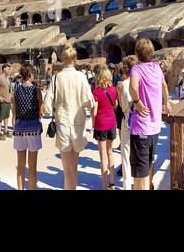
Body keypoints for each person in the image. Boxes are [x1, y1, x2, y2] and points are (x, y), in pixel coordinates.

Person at [49, 46, 97, 190]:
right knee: (74, 166)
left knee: (67, 168)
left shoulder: (56, 77)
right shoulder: (81, 77)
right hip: (78, 122)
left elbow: (47, 105)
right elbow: (90, 101)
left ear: (62, 59)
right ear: (75, 59)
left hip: (63, 122)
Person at [128, 38, 170, 190]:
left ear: (137, 53)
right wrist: (167, 103)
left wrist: (137, 102)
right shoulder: (157, 68)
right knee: (149, 165)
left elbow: (132, 87)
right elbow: (164, 86)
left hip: (141, 128)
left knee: (141, 174)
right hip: (154, 128)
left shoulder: (136, 69)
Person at [11, 65, 44, 190]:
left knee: (20, 164)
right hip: (33, 128)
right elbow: (41, 111)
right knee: (32, 164)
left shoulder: (16, 89)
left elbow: (14, 109)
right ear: (30, 75)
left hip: (19, 128)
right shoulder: (36, 90)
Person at [92, 67, 119, 189]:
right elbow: (115, 105)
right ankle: (112, 182)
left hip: (101, 125)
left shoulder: (96, 92)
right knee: (110, 152)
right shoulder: (113, 90)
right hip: (111, 123)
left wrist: (93, 123)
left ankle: (104, 185)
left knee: (102, 155)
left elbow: (95, 111)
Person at [116, 56, 136, 190]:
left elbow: (122, 107)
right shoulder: (141, 83)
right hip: (140, 120)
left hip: (128, 119)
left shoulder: (122, 85)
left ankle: (126, 186)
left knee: (126, 153)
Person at [0, 65, 14, 140]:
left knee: (6, 116)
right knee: (1, 116)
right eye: (8, 69)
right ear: (4, 69)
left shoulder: (7, 78)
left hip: (8, 100)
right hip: (2, 100)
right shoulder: (0, 77)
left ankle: (5, 131)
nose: (9, 70)